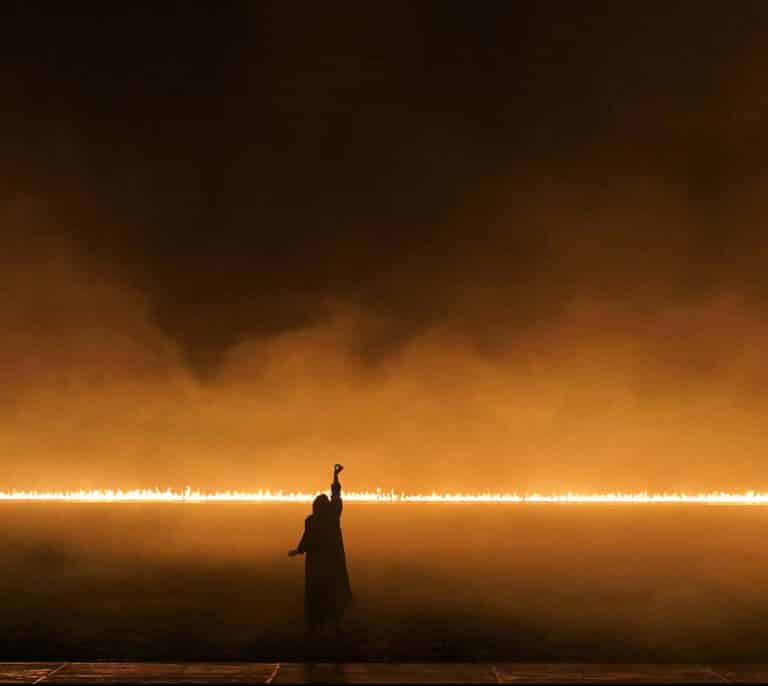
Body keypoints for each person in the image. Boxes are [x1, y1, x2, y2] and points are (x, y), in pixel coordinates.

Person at [289, 464, 352, 640]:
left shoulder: (311, 520)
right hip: (333, 563)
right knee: (333, 593)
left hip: (316, 566)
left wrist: (297, 551)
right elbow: (337, 495)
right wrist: (335, 476)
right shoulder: (333, 516)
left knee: (316, 594)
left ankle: (316, 627)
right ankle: (335, 625)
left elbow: (306, 541)